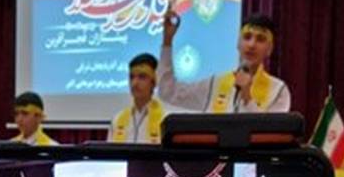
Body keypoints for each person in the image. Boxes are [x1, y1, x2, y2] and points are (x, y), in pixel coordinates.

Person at [159, 12, 291, 113]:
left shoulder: (278, 90)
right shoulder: (215, 84)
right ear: (238, 44)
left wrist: (247, 97)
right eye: (247, 37)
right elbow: (168, 92)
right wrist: (167, 41)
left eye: (260, 39)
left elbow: (270, 132)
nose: (251, 45)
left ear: (269, 49)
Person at [109, 53, 164, 144]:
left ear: (154, 82)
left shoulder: (164, 120)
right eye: (131, 77)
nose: (134, 83)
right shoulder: (118, 120)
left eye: (142, 77)